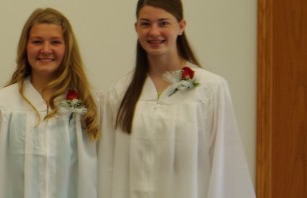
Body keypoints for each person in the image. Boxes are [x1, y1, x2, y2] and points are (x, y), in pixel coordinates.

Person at [97, 0, 255, 197]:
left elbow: (225, 163)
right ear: (136, 28)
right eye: (146, 23)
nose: (154, 32)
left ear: (181, 27)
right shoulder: (118, 94)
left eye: (163, 23)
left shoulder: (209, 89)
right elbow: (108, 168)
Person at [0, 8, 100, 198]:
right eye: (37, 42)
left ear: (67, 47)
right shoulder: (2, 104)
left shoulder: (87, 105)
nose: (45, 50)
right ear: (25, 46)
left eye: (55, 42)